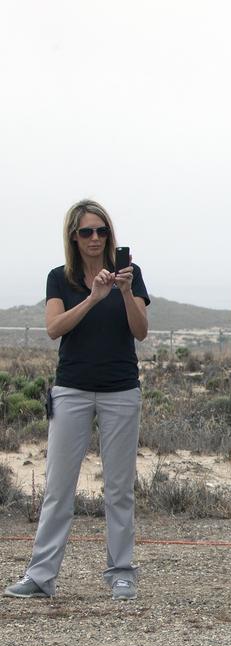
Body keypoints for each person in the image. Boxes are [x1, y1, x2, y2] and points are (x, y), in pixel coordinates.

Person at [4, 200, 150, 602]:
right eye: (86, 231)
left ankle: (121, 571)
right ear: (73, 235)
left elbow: (141, 331)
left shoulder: (131, 278)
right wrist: (92, 297)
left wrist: (122, 291)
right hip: (72, 389)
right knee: (59, 487)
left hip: (121, 389)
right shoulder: (60, 278)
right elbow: (54, 328)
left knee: (119, 487)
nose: (95, 238)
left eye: (101, 230)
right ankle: (40, 575)